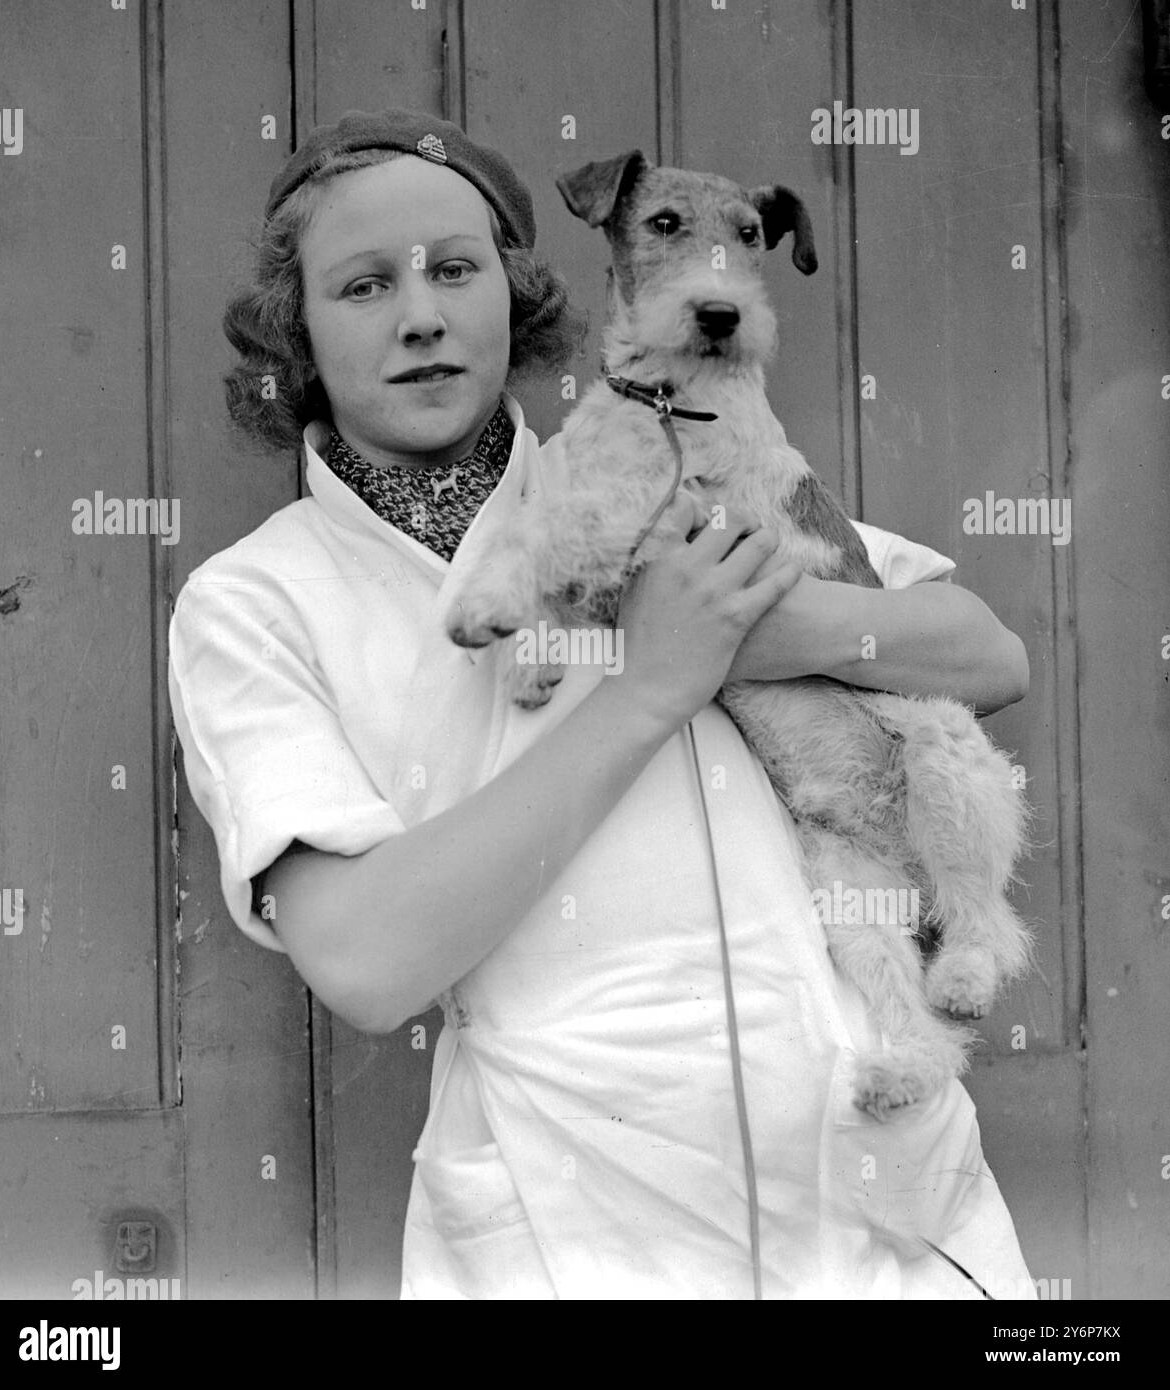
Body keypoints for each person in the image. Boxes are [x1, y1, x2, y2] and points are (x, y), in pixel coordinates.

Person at [167, 108, 1036, 1299]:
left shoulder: (665, 450)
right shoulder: (258, 600)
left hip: (882, 1218)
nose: (420, 314)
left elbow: (985, 656)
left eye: (456, 271)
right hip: (575, 1233)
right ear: (297, 330)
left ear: (516, 300)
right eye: (363, 285)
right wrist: (645, 688)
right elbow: (366, 962)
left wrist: (770, 634)